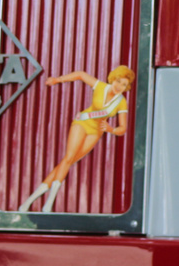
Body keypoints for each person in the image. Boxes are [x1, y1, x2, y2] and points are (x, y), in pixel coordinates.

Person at [22, 65, 134, 211]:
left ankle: (29, 201)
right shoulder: (100, 86)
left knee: (67, 162)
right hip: (82, 123)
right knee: (69, 157)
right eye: (118, 81)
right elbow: (81, 75)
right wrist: (58, 80)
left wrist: (111, 129)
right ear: (113, 79)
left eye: (124, 84)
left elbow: (123, 128)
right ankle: (48, 203)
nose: (120, 86)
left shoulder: (122, 102)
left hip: (96, 132)